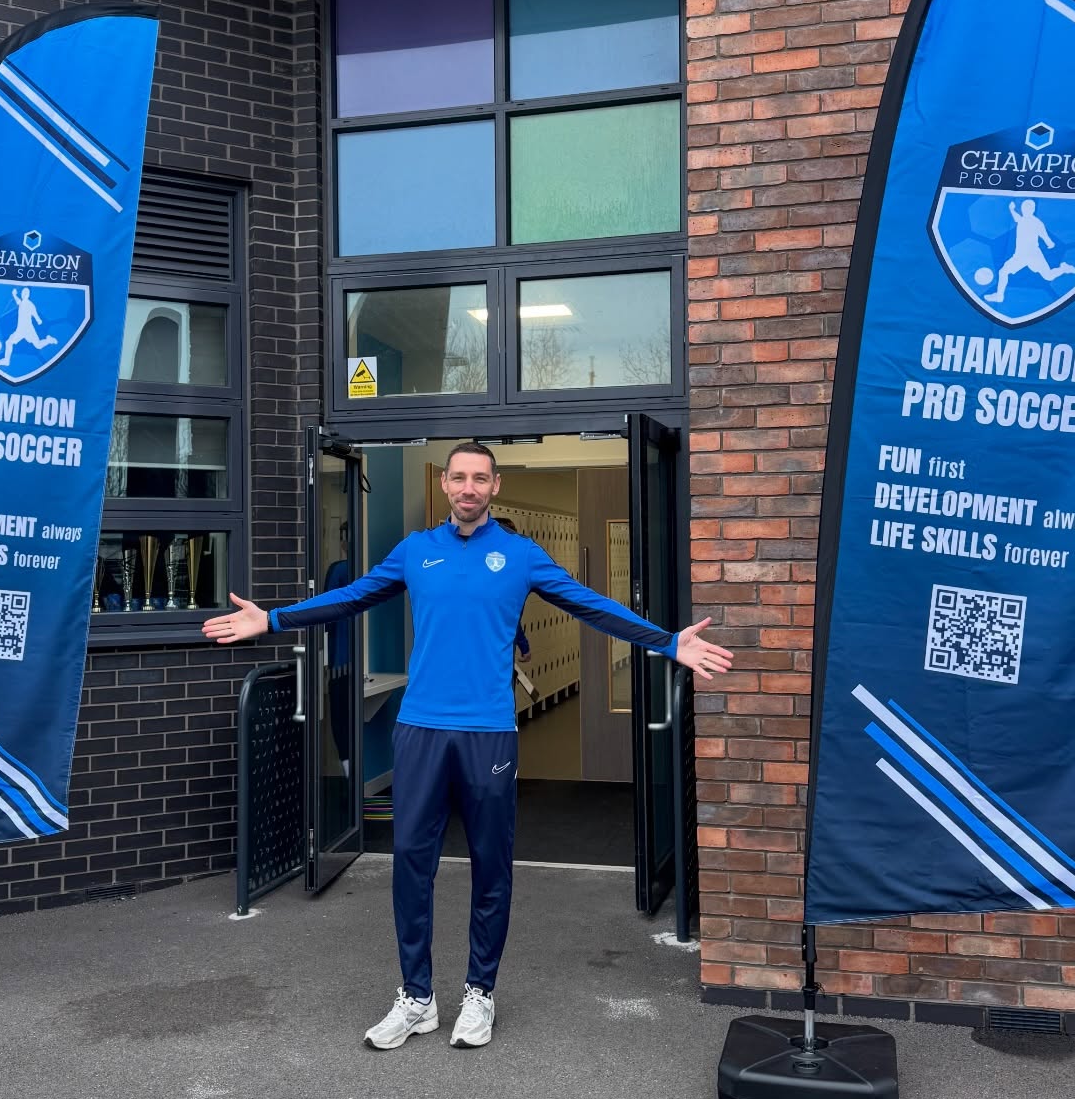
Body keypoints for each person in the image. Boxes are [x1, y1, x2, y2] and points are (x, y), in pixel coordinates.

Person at [204, 441, 732, 1052]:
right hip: (421, 731)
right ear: (447, 486)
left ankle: (479, 992)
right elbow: (350, 597)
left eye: (480, 478)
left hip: (489, 735)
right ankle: (417, 997)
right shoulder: (415, 552)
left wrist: (667, 642)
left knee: (491, 866)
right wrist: (273, 620)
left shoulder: (521, 555)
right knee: (412, 865)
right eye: (459, 477)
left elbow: (592, 606)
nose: (469, 488)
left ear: (495, 486)